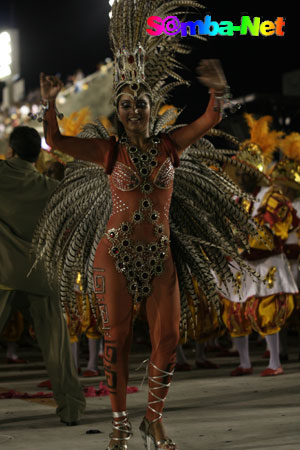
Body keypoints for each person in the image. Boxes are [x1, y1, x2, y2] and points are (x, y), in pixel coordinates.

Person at [34, 2, 262, 448]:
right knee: (115, 341)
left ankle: (151, 419)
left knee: (169, 338)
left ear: (150, 106)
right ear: (118, 110)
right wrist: (49, 102)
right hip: (113, 255)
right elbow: (57, 140)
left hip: (160, 255)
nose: (134, 109)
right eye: (126, 104)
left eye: (141, 103)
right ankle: (120, 425)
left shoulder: (170, 145)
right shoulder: (108, 153)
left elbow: (211, 119)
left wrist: (218, 91)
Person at [0, 126, 86, 425]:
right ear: (37, 156)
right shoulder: (51, 190)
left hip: (4, 272)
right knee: (57, 348)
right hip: (42, 275)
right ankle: (71, 408)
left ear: (10, 151)